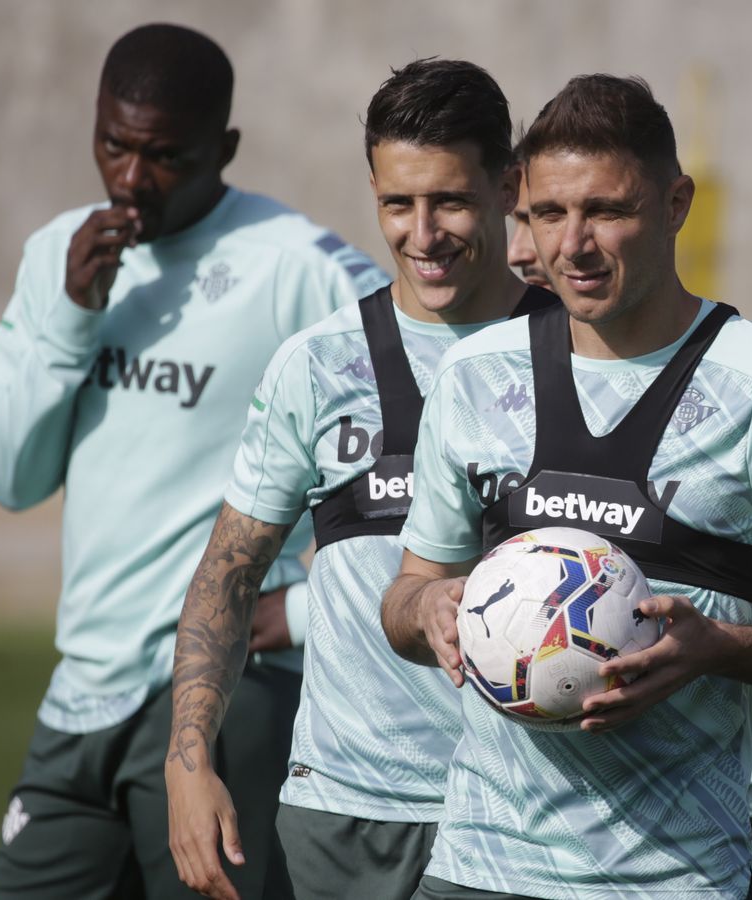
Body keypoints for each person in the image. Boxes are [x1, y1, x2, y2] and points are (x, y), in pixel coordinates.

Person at [382, 74, 752, 900]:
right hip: (477, 869)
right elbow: (406, 595)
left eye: (607, 211)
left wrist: (720, 652)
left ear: (675, 202)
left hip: (675, 877)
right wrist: (429, 613)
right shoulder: (473, 377)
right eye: (547, 214)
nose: (573, 243)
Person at [0, 23, 387, 899]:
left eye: (164, 157)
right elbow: (9, 476)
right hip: (81, 691)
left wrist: (308, 609)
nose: (129, 178)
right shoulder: (59, 258)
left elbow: (432, 452)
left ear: (222, 149)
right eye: (113, 146)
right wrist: (72, 320)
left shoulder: (299, 271)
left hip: (220, 697)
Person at [161, 59, 555, 900]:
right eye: (395, 204)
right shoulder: (317, 364)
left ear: (508, 185)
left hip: (525, 811)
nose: (423, 233)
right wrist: (188, 764)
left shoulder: (578, 352)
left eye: (449, 199)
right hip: (341, 817)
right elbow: (228, 574)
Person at [505, 168, 752, 898]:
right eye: (531, 218)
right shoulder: (480, 386)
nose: (536, 247)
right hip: (481, 853)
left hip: (689, 850)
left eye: (598, 211)